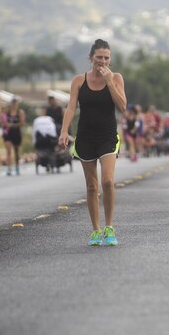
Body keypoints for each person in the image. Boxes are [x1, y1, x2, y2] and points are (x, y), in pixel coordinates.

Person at [59, 39, 127, 247]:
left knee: (107, 181)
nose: (103, 61)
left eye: (106, 58)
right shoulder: (79, 81)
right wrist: (64, 131)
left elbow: (122, 106)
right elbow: (71, 108)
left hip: (107, 136)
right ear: (91, 58)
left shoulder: (116, 78)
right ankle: (96, 230)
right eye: (99, 57)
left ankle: (109, 227)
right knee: (91, 186)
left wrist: (109, 82)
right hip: (85, 137)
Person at [1, 96, 25, 176]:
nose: (14, 104)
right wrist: (6, 124)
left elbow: (22, 123)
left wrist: (12, 125)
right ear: (11, 103)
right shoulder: (7, 112)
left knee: (16, 151)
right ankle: (9, 169)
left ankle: (17, 167)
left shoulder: (20, 112)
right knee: (8, 151)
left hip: (16, 133)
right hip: (8, 133)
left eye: (15, 102)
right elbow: (3, 122)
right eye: (13, 102)